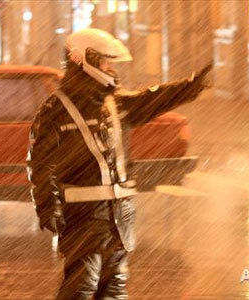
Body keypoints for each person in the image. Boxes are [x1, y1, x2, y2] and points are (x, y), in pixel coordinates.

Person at [26, 28, 212, 299]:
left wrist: (189, 87)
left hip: (119, 215)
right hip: (83, 215)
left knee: (114, 288)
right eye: (104, 61)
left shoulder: (114, 103)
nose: (110, 68)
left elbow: (152, 99)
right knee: (82, 286)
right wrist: (47, 206)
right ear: (84, 60)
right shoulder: (55, 109)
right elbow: (40, 164)